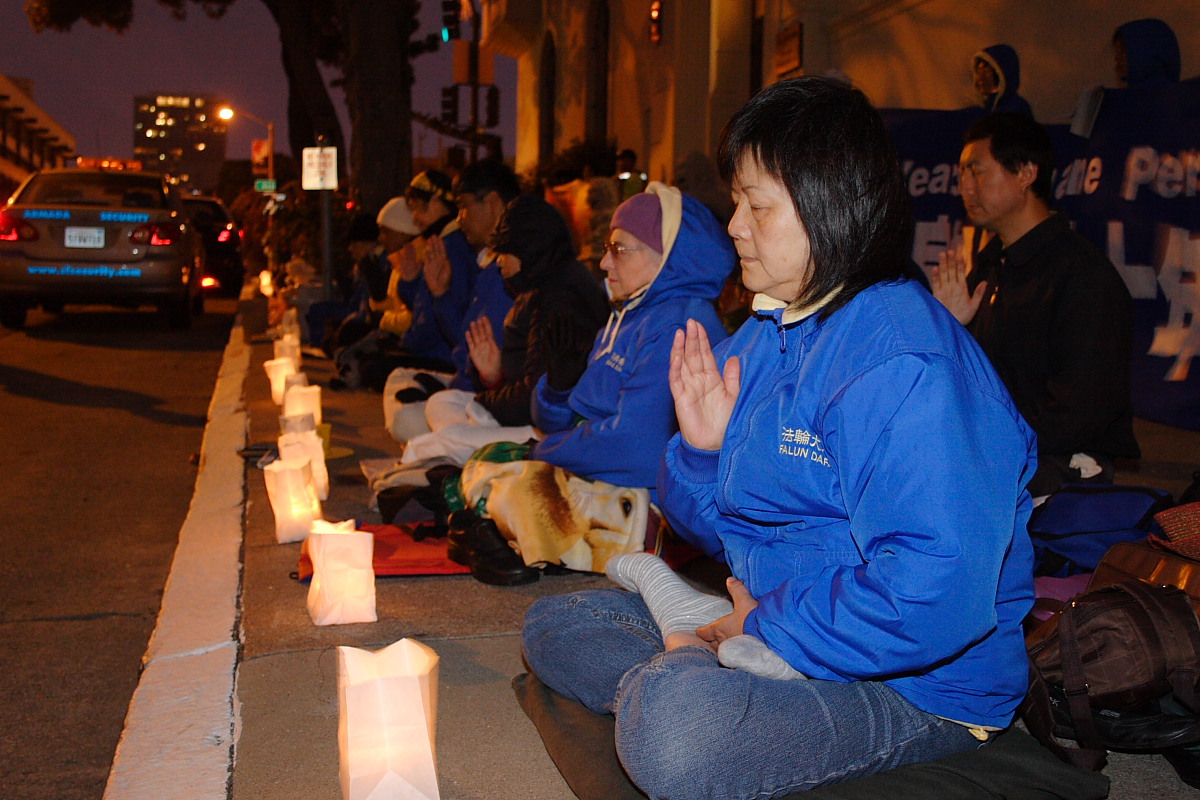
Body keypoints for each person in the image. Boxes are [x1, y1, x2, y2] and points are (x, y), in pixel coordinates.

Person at [521, 77, 1038, 799]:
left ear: (831, 205)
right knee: (556, 622)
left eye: (756, 205)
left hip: (915, 685)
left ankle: (696, 668)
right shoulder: (768, 334)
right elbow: (720, 532)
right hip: (779, 613)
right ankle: (703, 657)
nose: (735, 226)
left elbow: (936, 592)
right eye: (737, 203)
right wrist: (702, 452)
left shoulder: (906, 364)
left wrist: (769, 627)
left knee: (679, 732)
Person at [931, 112, 1139, 496]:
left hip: (1056, 465)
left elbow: (1081, 413)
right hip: (995, 451)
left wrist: (984, 442)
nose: (965, 187)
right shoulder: (991, 267)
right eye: (961, 174)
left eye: (977, 171)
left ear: (1026, 173)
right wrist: (950, 328)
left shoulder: (1081, 275)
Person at [530, 182, 733, 500]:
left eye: (619, 250)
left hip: (643, 498)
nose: (604, 263)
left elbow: (635, 446)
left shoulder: (678, 328)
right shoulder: (631, 315)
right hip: (599, 472)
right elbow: (556, 425)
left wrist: (543, 451)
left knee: (497, 477)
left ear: (667, 258)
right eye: (607, 248)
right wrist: (557, 392)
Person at [399, 194, 609, 465]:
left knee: (429, 442)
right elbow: (525, 378)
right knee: (443, 403)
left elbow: (536, 398)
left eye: (504, 252)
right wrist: (494, 377)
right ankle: (466, 450)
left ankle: (461, 451)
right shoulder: (540, 284)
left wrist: (486, 401)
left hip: (548, 430)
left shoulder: (559, 298)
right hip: (525, 416)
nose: (498, 262)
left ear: (528, 248)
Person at [384, 160, 521, 439]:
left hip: (492, 401)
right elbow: (465, 339)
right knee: (400, 379)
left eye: (464, 207)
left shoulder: (512, 267)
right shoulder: (489, 262)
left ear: (492, 204)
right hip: (466, 388)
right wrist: (440, 293)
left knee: (408, 417)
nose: (460, 219)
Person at [1113, 18, 1181, 87]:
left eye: (1122, 50)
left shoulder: (1180, 93)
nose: (1116, 58)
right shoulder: (1130, 93)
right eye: (1117, 51)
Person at [973, 44, 1033, 116]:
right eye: (978, 71)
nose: (980, 77)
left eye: (986, 71)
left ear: (1000, 74)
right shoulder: (982, 109)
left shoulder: (1016, 107)